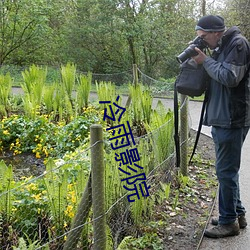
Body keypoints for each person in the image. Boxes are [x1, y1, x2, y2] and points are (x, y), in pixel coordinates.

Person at [192, 15, 250, 238]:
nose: (203, 41)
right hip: (222, 117)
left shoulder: (238, 44)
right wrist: (202, 60)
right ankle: (237, 214)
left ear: (216, 32)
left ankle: (228, 223)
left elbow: (229, 77)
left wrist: (205, 61)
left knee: (225, 171)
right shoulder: (221, 46)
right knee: (227, 171)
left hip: (232, 118)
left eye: (204, 37)